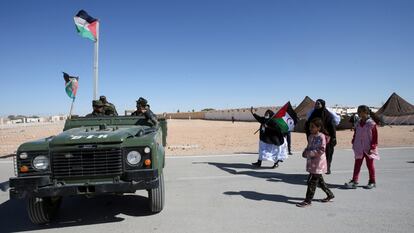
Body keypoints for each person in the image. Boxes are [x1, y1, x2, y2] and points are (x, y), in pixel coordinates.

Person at [297, 118, 334, 207]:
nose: (310, 128)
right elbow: (308, 146)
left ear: (319, 127)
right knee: (320, 182)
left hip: (318, 163)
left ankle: (307, 201)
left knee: (311, 182)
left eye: (312, 127)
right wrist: (305, 152)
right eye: (310, 127)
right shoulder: (310, 137)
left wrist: (310, 153)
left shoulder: (321, 137)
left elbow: (322, 150)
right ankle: (330, 195)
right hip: (311, 163)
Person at [345, 105, 379, 189]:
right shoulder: (358, 123)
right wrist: (353, 141)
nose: (359, 113)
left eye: (360, 111)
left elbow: (375, 137)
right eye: (358, 111)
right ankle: (354, 181)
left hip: (368, 148)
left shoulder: (371, 124)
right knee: (357, 165)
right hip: (359, 147)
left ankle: (372, 181)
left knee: (370, 165)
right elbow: (356, 134)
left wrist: (373, 147)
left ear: (366, 112)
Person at [305, 99, 336, 174]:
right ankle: (315, 169)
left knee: (327, 153)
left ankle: (327, 168)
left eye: (318, 103)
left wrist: (333, 137)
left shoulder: (327, 115)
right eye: (316, 103)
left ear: (323, 105)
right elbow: (308, 125)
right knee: (315, 154)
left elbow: (332, 127)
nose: (316, 105)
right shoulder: (313, 114)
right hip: (315, 137)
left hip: (325, 138)